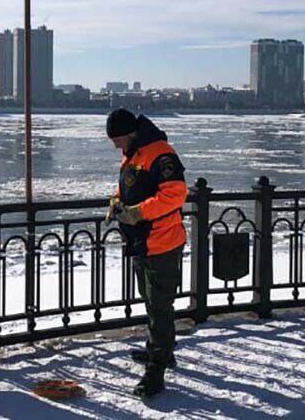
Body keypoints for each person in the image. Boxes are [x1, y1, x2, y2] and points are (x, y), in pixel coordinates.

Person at [105, 108, 187, 398]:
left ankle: (157, 370)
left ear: (130, 134)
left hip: (162, 242)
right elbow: (127, 187)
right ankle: (161, 350)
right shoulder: (133, 154)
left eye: (117, 140)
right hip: (143, 242)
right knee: (153, 303)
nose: (115, 146)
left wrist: (137, 213)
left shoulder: (160, 153)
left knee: (159, 307)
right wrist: (116, 202)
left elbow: (175, 193)